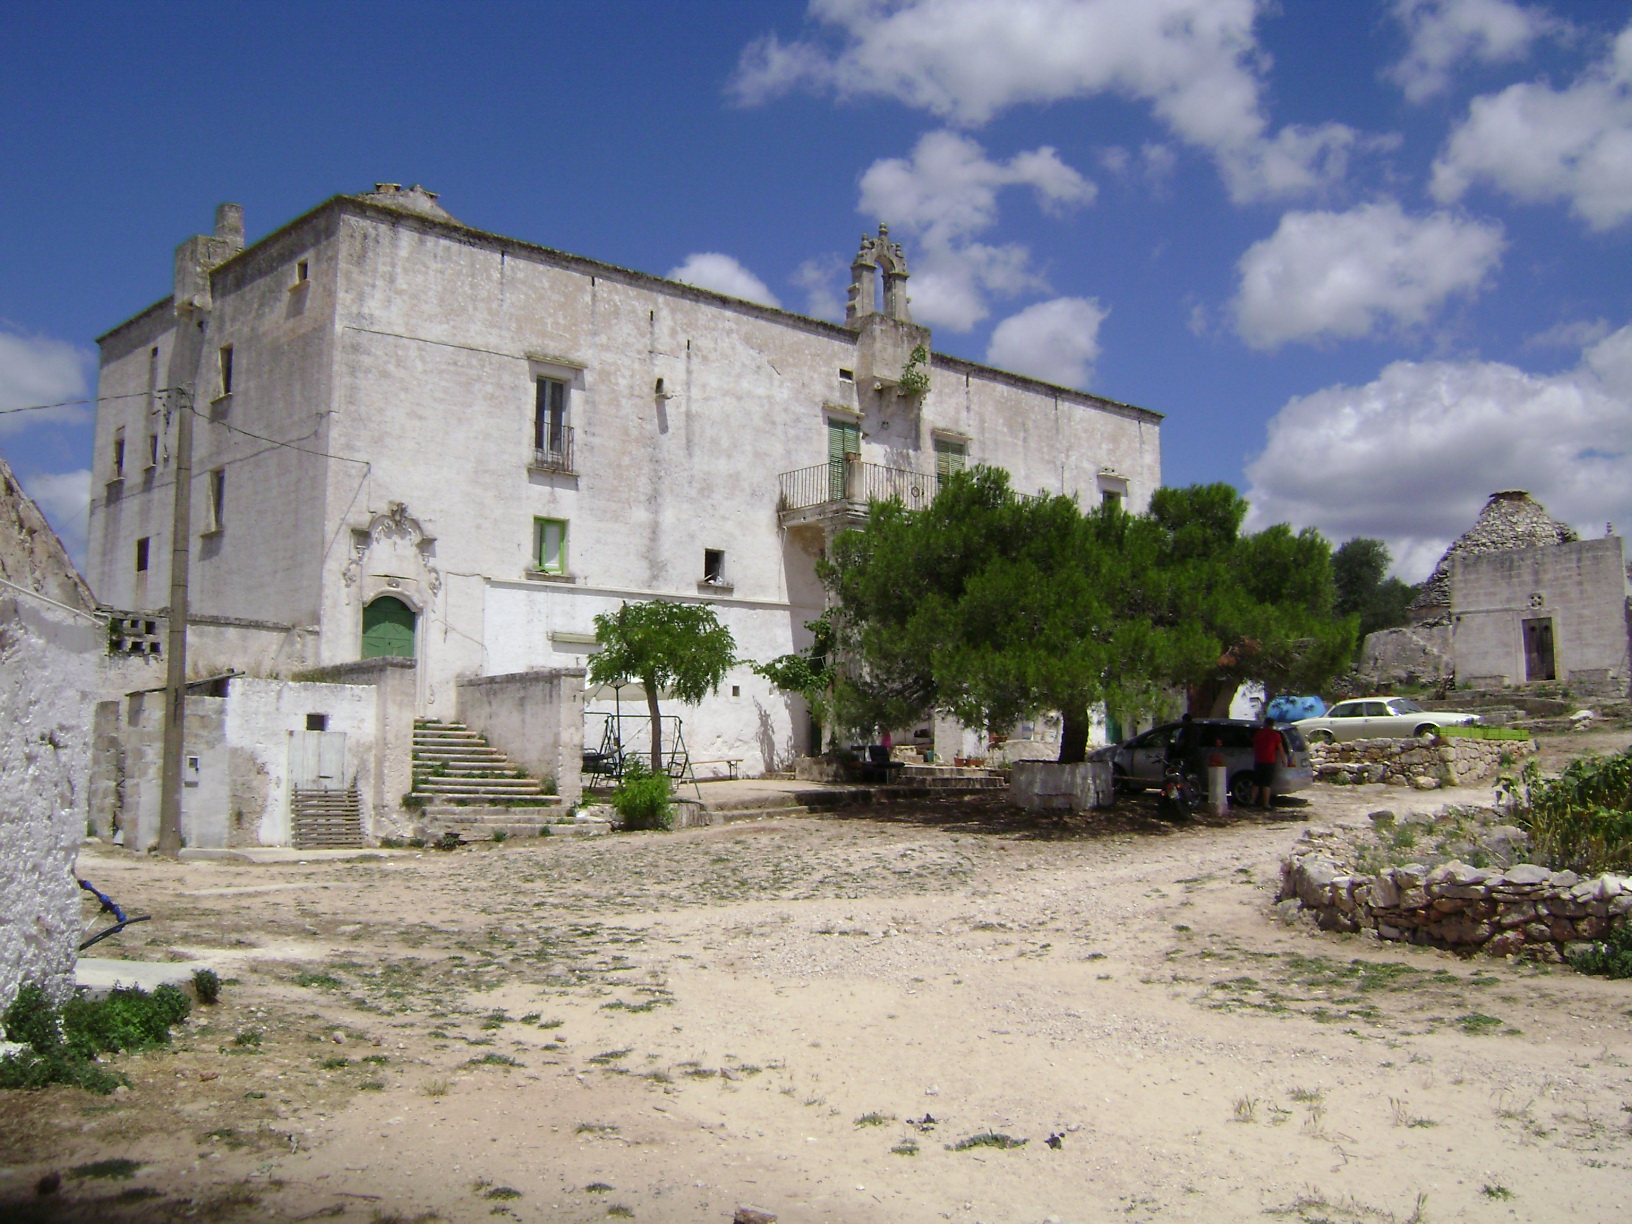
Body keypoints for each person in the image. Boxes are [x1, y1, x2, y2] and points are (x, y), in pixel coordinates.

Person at [1252, 715, 1283, 808]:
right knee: (1266, 784)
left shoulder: (1258, 733)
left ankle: (1252, 801)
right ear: (1272, 725)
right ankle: (1266, 804)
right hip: (1269, 761)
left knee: (1256, 782)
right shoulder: (1275, 735)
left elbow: (1254, 745)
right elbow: (1280, 749)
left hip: (1258, 760)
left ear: (1265, 724)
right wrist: (1285, 760)